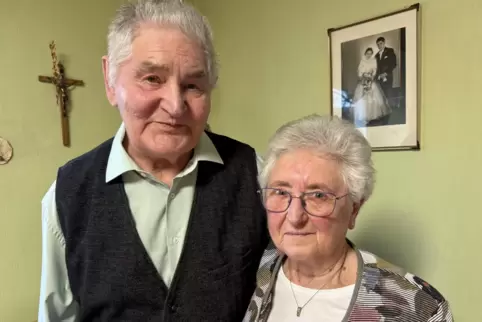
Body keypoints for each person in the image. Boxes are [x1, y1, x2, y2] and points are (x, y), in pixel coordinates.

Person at [38, 0, 269, 321]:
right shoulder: (67, 193)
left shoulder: (254, 173)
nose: (175, 106)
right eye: (152, 79)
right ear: (110, 79)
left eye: (192, 85)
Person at [244, 114, 454, 322]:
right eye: (281, 192)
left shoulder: (421, 308)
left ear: (354, 209)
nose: (295, 216)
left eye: (318, 195)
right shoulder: (263, 264)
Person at [351, 47, 391, 126]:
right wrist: (363, 75)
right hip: (363, 80)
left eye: (370, 53)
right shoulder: (362, 61)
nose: (369, 55)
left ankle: (371, 116)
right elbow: (359, 71)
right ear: (365, 53)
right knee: (362, 97)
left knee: (373, 97)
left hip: (371, 80)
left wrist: (371, 76)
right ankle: (362, 116)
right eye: (367, 53)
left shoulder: (373, 60)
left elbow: (375, 70)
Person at [375, 36, 397, 101]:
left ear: (384, 43)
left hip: (387, 77)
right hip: (379, 79)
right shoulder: (376, 56)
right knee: (381, 97)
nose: (379, 45)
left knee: (388, 96)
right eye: (378, 44)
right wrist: (378, 76)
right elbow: (376, 68)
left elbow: (393, 64)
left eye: (381, 43)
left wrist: (385, 73)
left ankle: (389, 110)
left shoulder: (390, 51)